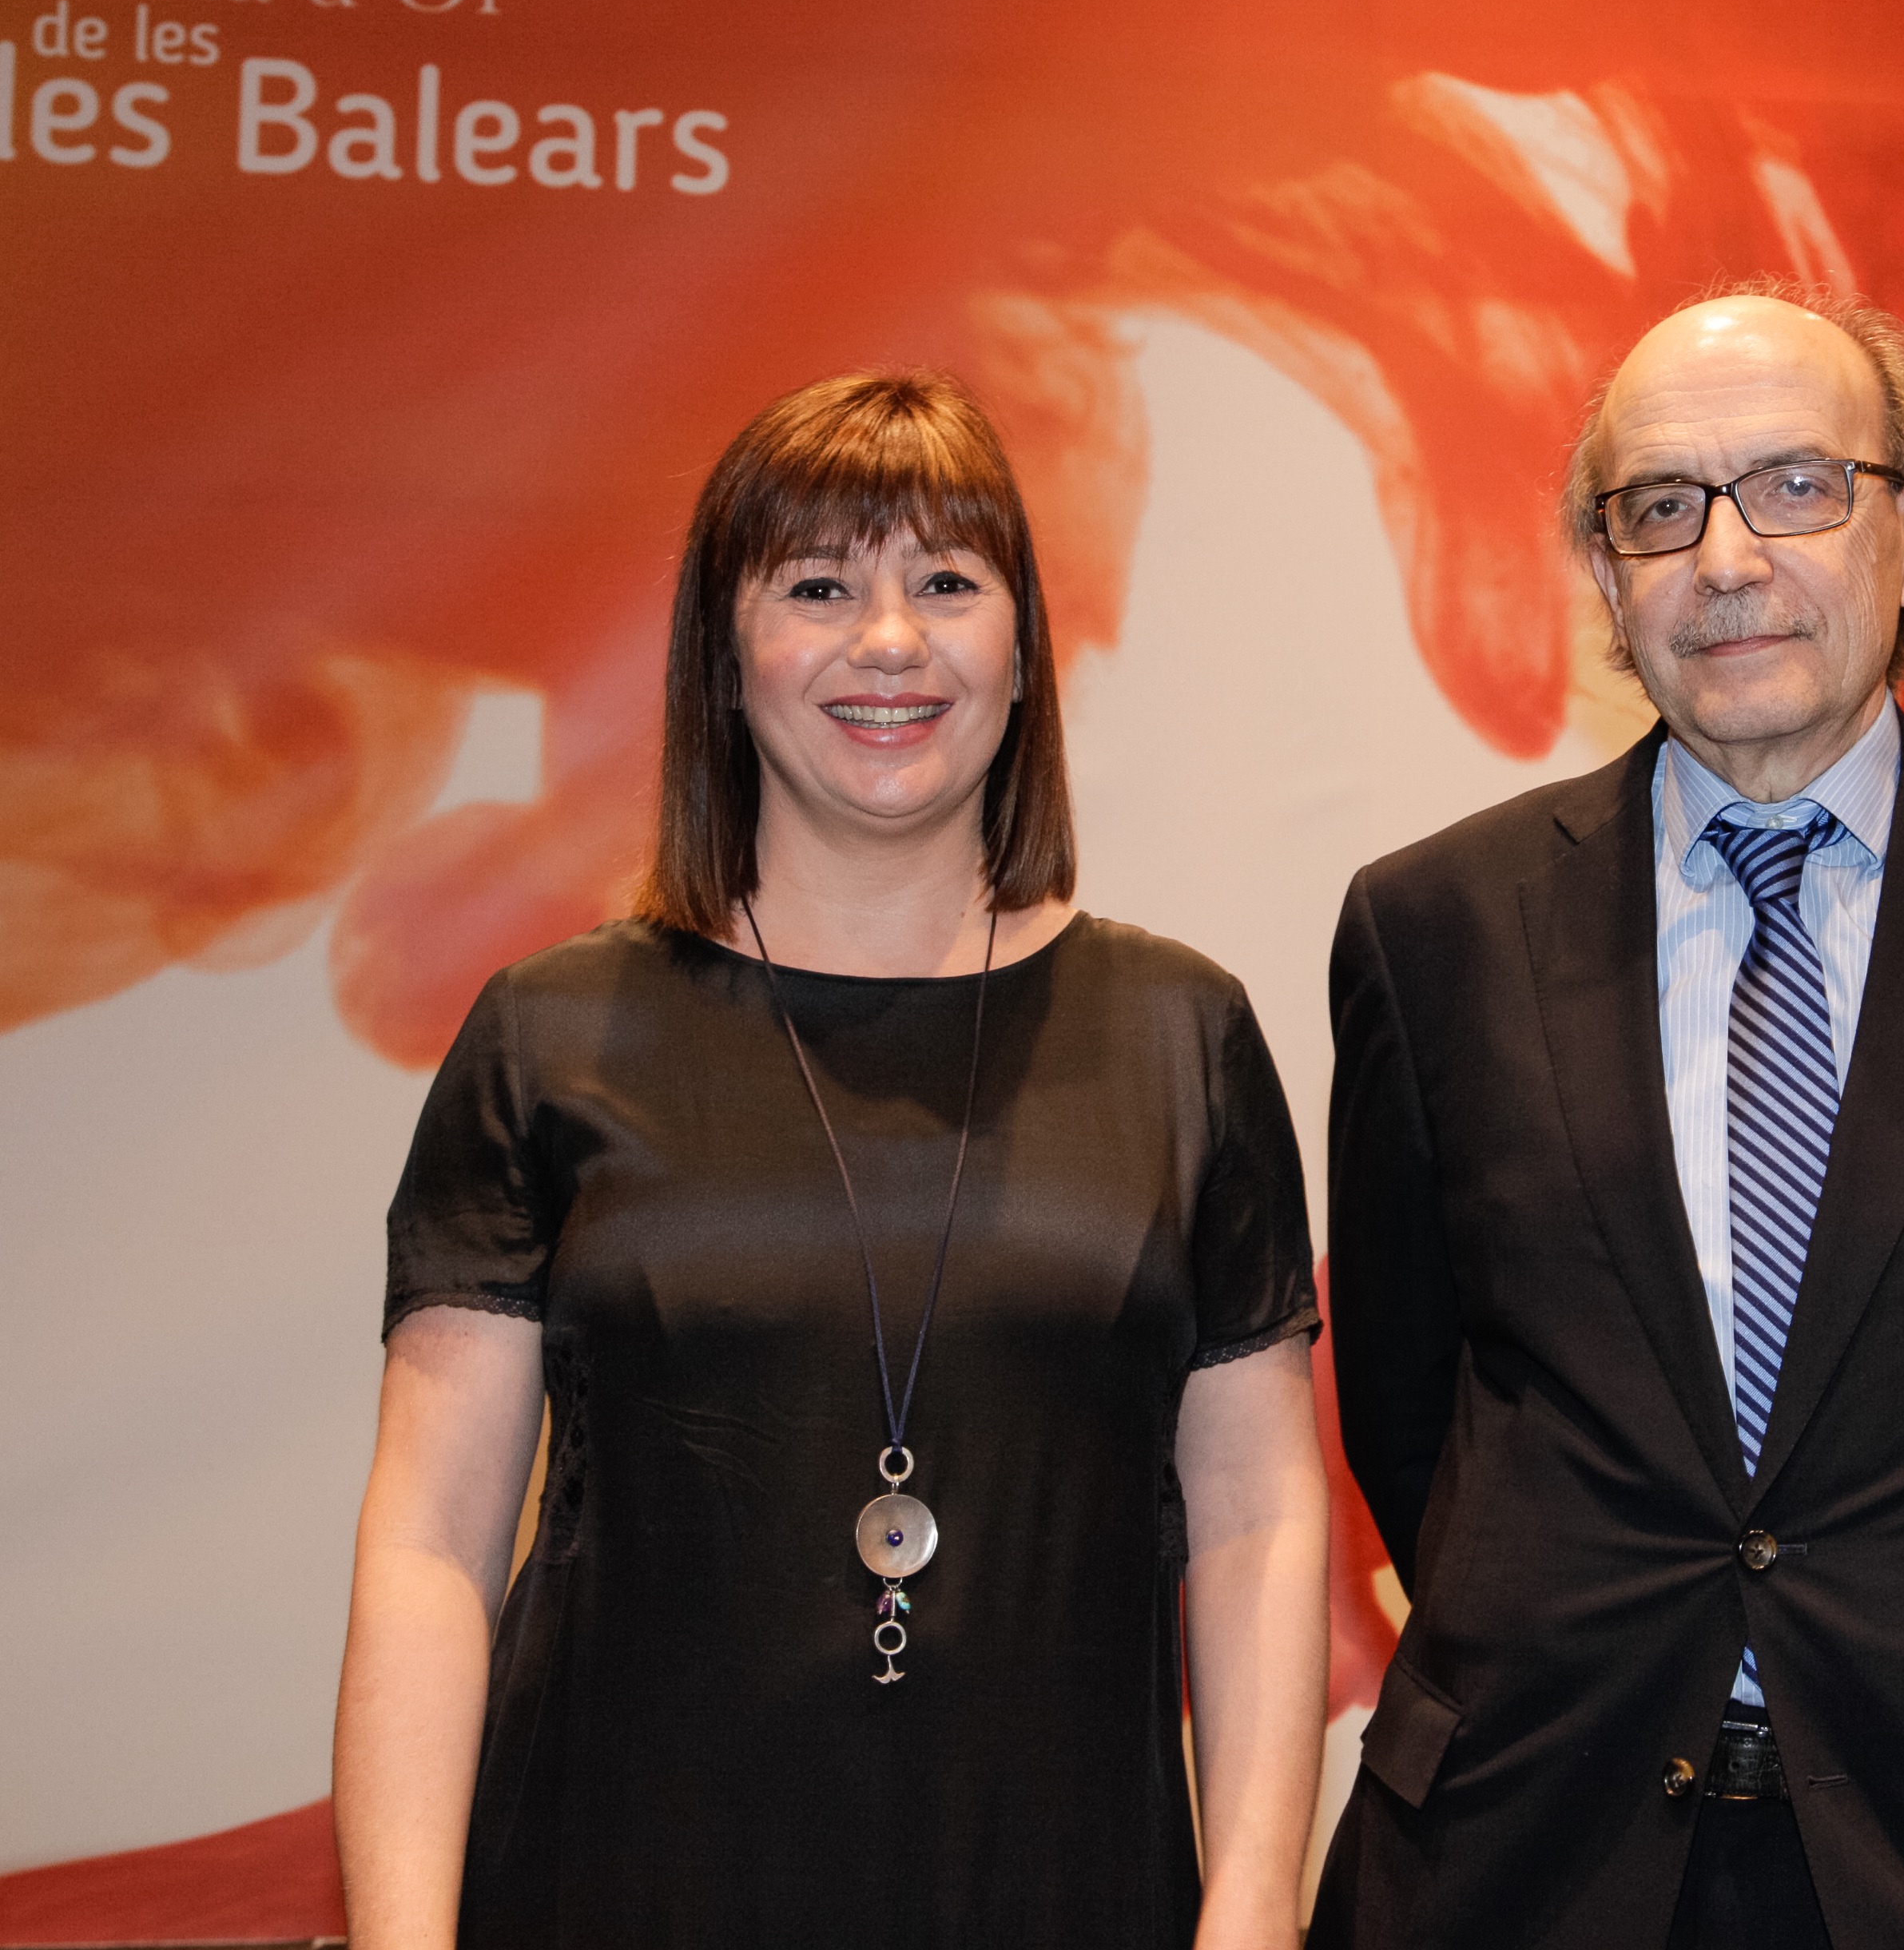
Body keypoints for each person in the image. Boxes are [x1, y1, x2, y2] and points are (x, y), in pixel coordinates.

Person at [1310, 289, 1904, 1949]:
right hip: (1534, 1855)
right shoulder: (1433, 930)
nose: (1726, 558)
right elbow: (1418, 1422)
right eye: (1660, 506)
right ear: (1607, 579)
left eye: (1794, 487)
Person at [331, 372, 1329, 1950]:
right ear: (724, 659)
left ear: (1024, 652)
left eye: (949, 582)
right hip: (614, 1888)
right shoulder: (551, 1034)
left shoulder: (1178, 1033)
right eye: (817, 587)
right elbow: (432, 1541)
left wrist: (1255, 1906)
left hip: (1061, 1887)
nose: (890, 641)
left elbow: (1259, 1513)